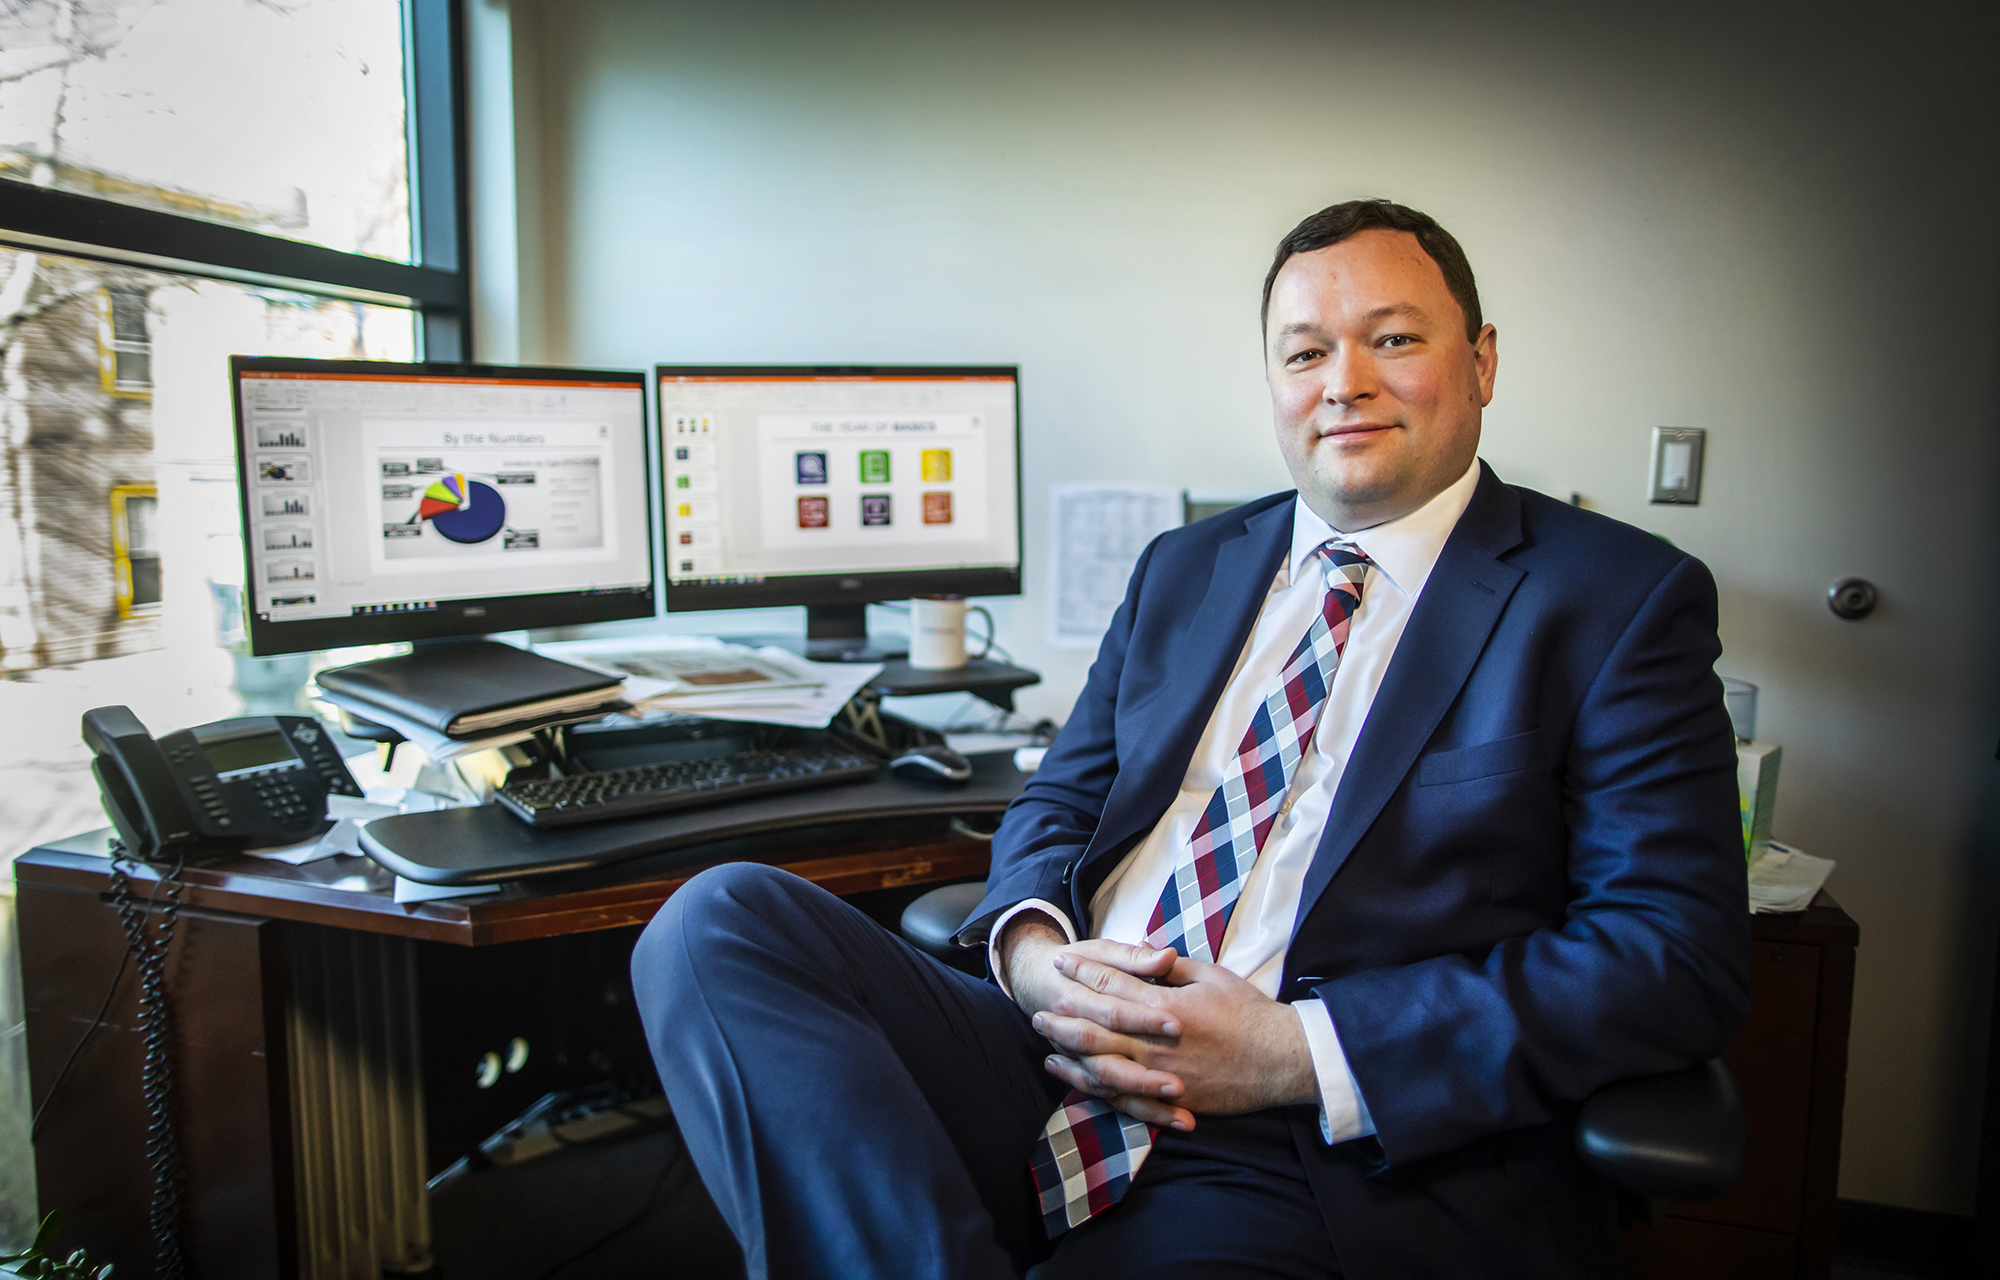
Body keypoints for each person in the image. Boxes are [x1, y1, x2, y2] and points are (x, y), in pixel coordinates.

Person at [631, 199, 1752, 1280]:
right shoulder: (1188, 566)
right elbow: (1057, 804)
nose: (1343, 383)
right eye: (1303, 352)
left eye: (1393, 339)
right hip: (1045, 1049)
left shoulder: (1613, 600)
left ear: (1481, 361)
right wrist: (1031, 959)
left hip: (1299, 1139)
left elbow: (1671, 956)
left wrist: (1287, 1052)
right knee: (714, 919)